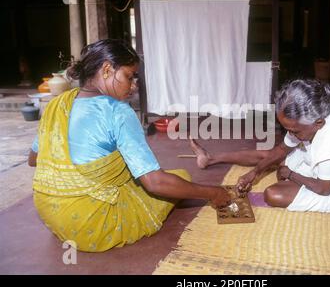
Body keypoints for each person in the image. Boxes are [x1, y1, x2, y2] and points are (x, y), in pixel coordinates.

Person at [28, 39, 231, 252]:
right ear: (107, 69)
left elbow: (34, 160)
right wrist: (213, 193)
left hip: (49, 213)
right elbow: (155, 182)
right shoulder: (117, 111)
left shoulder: (56, 105)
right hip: (90, 223)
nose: (134, 86)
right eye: (129, 76)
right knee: (180, 177)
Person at [190, 79, 330, 214]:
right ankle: (211, 158)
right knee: (278, 157)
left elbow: (323, 189)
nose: (291, 135)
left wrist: (290, 174)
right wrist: (254, 173)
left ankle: (213, 159)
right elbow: (281, 149)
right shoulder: (316, 116)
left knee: (274, 194)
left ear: (318, 123)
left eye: (295, 131)